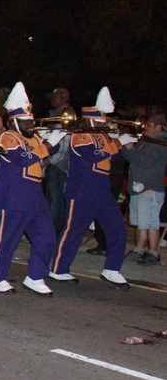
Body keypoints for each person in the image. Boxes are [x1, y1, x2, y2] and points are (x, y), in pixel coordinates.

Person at [0, 82, 66, 296]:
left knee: (46, 236)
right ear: (13, 121)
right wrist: (47, 145)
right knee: (7, 240)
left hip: (34, 196)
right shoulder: (7, 137)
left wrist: (55, 138)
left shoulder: (34, 137)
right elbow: (23, 158)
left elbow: (50, 149)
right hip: (13, 196)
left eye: (31, 120)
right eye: (26, 121)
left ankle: (35, 276)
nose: (31, 124)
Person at [49, 88, 131, 288]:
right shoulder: (80, 136)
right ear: (92, 120)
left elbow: (116, 158)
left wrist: (118, 142)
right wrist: (117, 142)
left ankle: (112, 269)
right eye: (102, 119)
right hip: (82, 191)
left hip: (102, 191)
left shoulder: (103, 136)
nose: (105, 122)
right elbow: (95, 154)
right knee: (73, 232)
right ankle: (58, 269)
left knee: (118, 230)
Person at [121, 113, 167, 265]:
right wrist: (127, 148)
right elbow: (132, 158)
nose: (145, 127)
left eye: (149, 124)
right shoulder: (147, 140)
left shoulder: (160, 142)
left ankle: (154, 253)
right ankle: (139, 250)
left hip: (150, 188)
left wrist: (130, 147)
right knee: (142, 222)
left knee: (151, 223)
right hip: (140, 187)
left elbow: (143, 161)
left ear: (158, 127)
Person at [45, 88, 72, 237]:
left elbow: (63, 144)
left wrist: (51, 162)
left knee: (56, 201)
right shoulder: (55, 115)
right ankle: (53, 231)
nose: (52, 99)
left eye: (54, 97)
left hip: (58, 164)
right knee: (53, 200)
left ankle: (55, 232)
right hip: (55, 163)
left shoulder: (65, 115)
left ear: (63, 98)